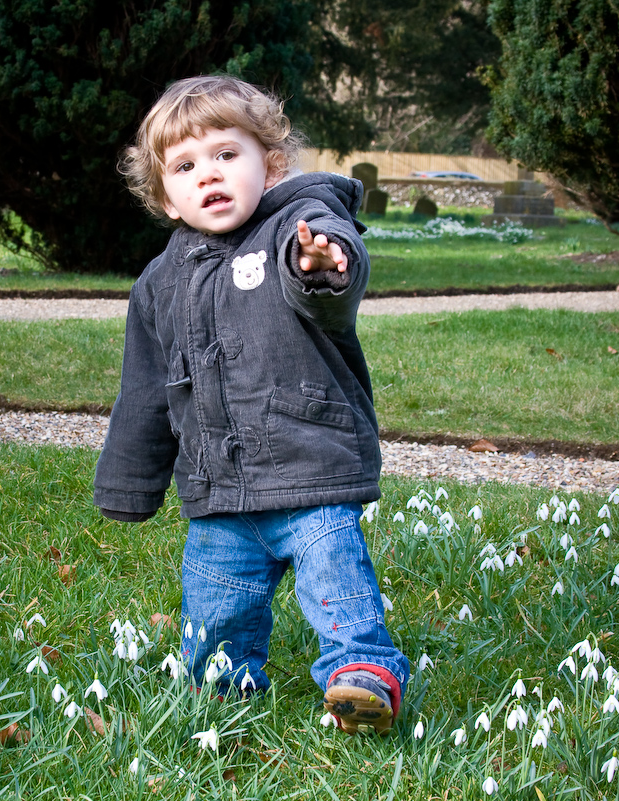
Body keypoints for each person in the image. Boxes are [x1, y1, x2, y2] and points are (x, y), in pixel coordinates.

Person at [94, 75, 409, 735]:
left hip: (310, 469)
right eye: (184, 166)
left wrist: (321, 263)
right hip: (218, 493)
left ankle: (363, 674)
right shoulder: (159, 283)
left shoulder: (300, 224)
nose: (207, 174)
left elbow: (322, 280)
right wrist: (129, 482)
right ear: (165, 196)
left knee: (338, 588)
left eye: (225, 155)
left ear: (268, 165)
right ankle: (222, 683)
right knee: (215, 609)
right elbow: (147, 388)